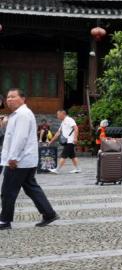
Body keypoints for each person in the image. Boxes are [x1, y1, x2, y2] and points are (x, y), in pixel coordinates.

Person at [1, 88, 59, 230]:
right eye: (8, 97)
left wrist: (13, 158)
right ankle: (49, 214)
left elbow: (20, 138)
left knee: (8, 190)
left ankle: (4, 220)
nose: (9, 99)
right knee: (31, 188)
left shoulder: (22, 114)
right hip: (25, 160)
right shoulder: (18, 114)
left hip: (19, 161)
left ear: (23, 98)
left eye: (13, 96)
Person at [49, 109, 80, 173]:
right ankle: (77, 169)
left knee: (63, 155)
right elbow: (58, 133)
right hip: (67, 141)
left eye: (58, 114)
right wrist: (51, 141)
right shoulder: (63, 122)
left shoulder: (69, 120)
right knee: (72, 156)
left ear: (63, 114)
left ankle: (57, 170)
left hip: (70, 141)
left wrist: (75, 138)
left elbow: (76, 128)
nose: (57, 116)